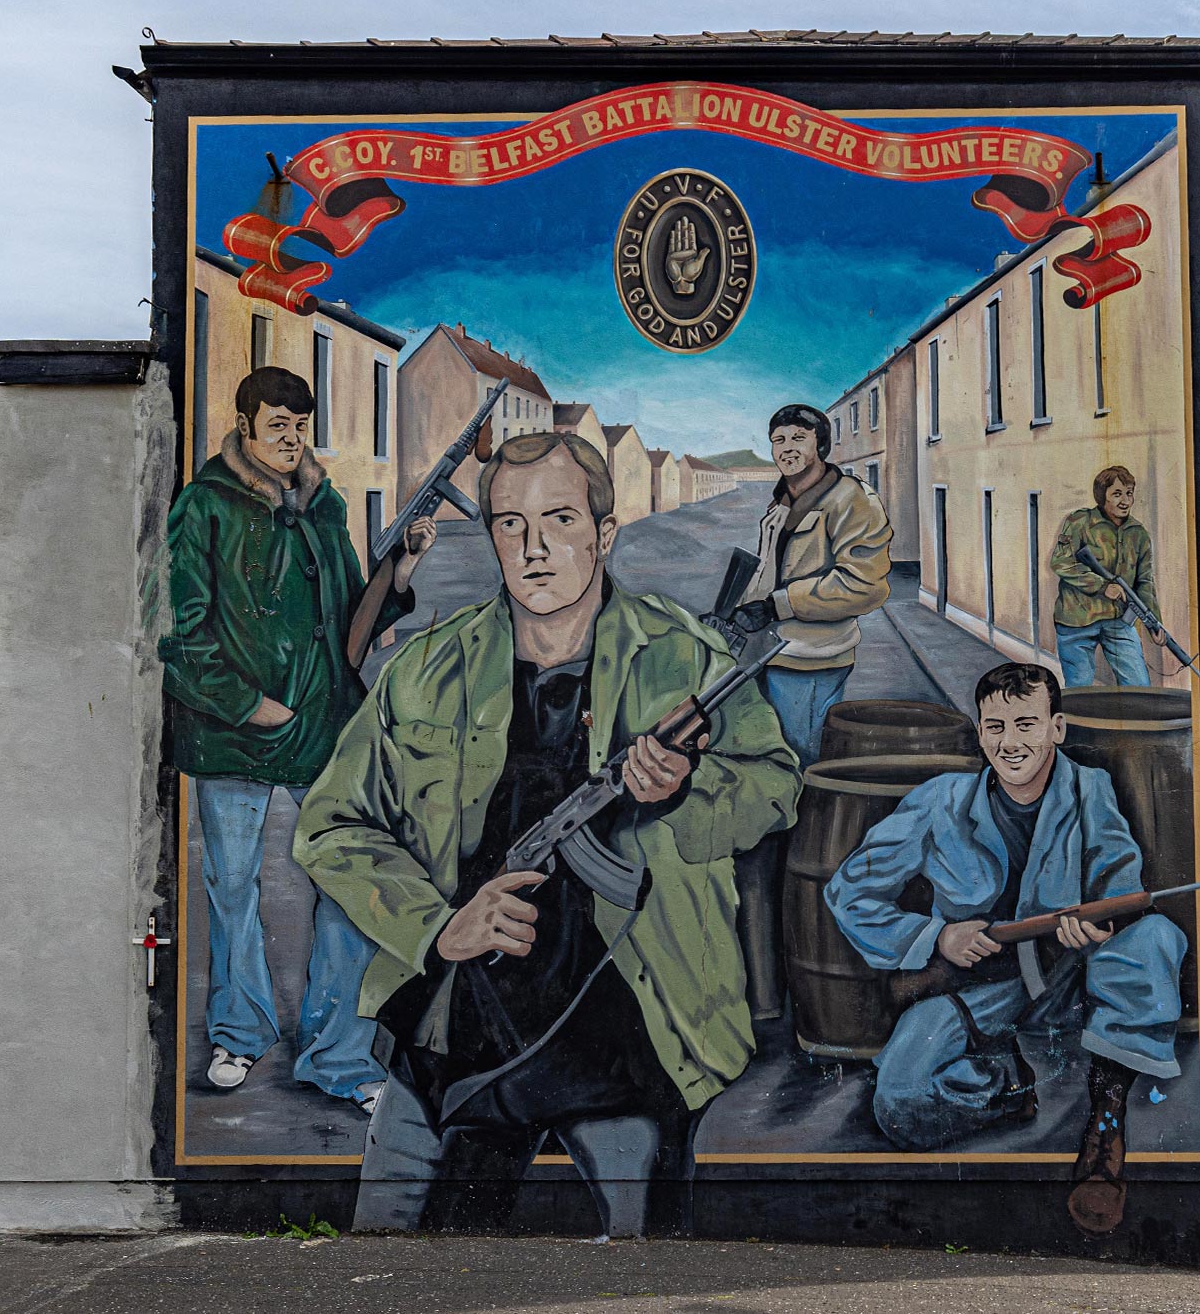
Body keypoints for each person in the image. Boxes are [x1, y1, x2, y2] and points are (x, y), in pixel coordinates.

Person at [295, 432, 801, 1236]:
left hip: (634, 1012)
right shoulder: (428, 669)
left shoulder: (685, 659)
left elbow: (774, 788)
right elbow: (330, 823)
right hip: (461, 1020)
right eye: (509, 525)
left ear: (604, 534)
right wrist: (437, 924)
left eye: (559, 519)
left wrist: (683, 788)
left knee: (646, 1270)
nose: (533, 550)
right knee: (398, 1255)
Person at [824, 661, 1186, 1236]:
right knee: (900, 1102)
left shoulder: (1089, 790)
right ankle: (1008, 1087)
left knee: (1155, 938)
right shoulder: (940, 801)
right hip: (985, 987)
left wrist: (1098, 926)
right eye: (996, 727)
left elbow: (1120, 883)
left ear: (1057, 728)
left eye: (1026, 724)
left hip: (1069, 974)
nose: (1011, 743)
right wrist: (935, 936)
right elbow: (850, 890)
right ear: (979, 731)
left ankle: (1105, 1123)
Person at [161, 366, 435, 1107]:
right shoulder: (204, 506)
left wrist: (400, 567)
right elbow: (179, 636)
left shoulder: (323, 505)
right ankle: (240, 1033)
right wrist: (249, 705)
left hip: (322, 727)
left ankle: (337, 1054)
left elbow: (350, 624)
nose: (290, 438)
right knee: (232, 886)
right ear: (245, 427)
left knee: (347, 880)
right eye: (276, 424)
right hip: (233, 733)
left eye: (299, 425)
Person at [719, 404, 891, 767]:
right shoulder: (781, 501)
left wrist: (776, 606)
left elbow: (864, 583)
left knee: (799, 762)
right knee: (766, 757)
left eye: (799, 438)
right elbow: (770, 570)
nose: (787, 448)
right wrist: (734, 612)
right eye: (778, 440)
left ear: (821, 445)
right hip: (768, 654)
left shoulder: (852, 499)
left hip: (813, 660)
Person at [1047, 464, 1162, 689]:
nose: (1125, 500)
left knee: (1139, 687)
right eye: (1117, 494)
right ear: (1102, 497)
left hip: (1119, 621)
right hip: (1076, 620)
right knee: (1079, 689)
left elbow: (1145, 582)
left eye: (1129, 493)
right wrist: (1102, 586)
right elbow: (1061, 562)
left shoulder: (1138, 534)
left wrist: (1154, 624)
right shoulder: (1079, 522)